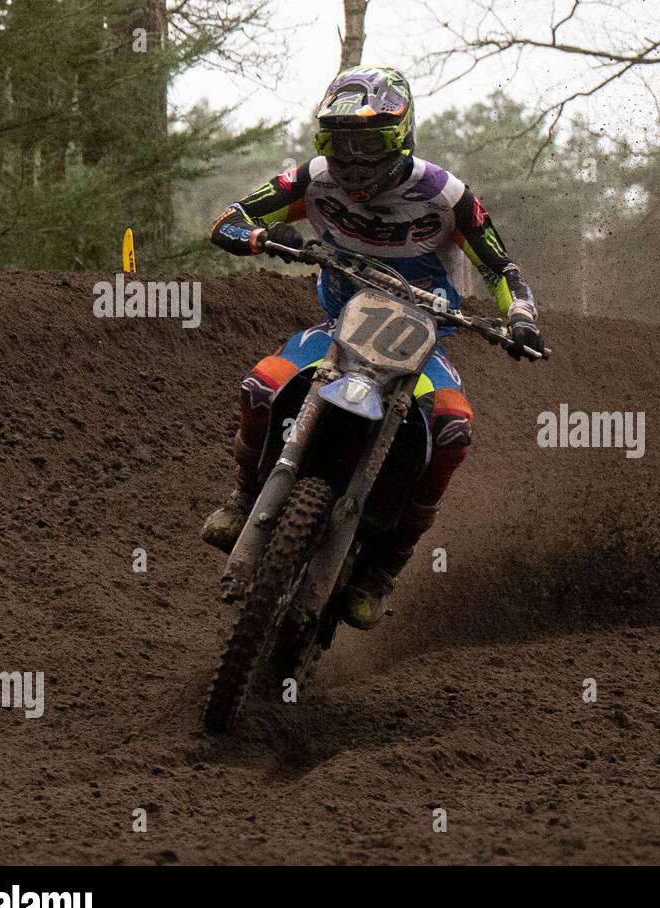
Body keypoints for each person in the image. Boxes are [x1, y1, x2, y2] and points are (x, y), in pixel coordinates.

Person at [200, 64, 543, 629]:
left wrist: (522, 319)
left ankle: (384, 567)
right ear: (323, 141)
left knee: (454, 429)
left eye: (369, 142)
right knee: (261, 386)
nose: (354, 159)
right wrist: (264, 236)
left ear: (401, 135)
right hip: (339, 329)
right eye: (342, 142)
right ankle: (242, 500)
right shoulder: (313, 178)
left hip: (421, 343)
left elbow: (501, 266)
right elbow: (227, 220)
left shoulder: (444, 194)